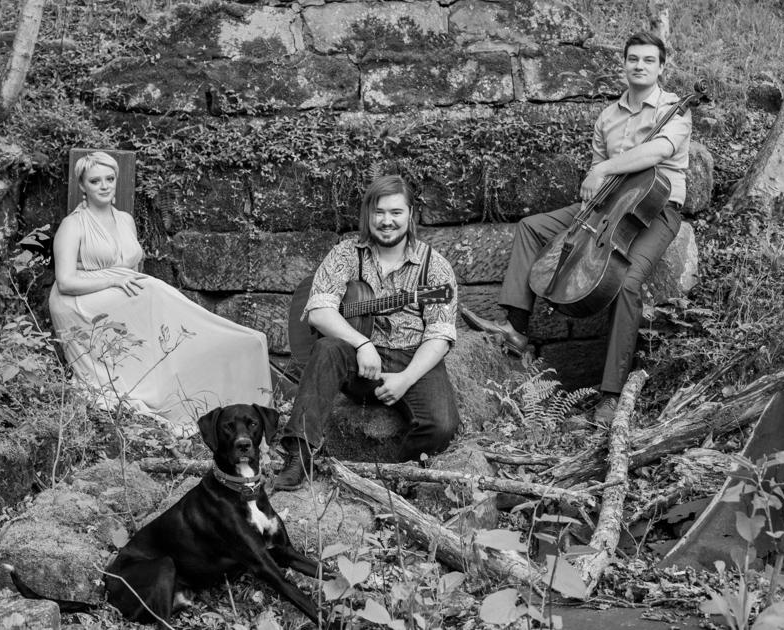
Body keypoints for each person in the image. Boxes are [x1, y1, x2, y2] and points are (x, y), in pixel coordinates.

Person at [460, 31, 692, 424]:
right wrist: (590, 204)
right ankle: (516, 328)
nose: (639, 66)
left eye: (648, 60)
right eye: (633, 59)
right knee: (531, 228)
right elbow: (599, 175)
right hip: (608, 205)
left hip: (657, 209)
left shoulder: (674, 109)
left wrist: (602, 169)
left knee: (627, 283)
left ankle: (611, 397)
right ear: (624, 64)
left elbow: (658, 151)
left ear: (661, 67)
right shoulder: (608, 116)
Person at [49, 151, 272, 437]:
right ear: (82, 185)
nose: (104, 186)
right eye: (95, 181)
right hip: (79, 300)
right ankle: (184, 360)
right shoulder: (73, 225)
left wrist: (124, 284)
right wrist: (113, 281)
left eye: (109, 179)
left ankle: (230, 346)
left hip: (120, 294)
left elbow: (132, 270)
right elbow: (65, 282)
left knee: (154, 297)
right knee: (153, 289)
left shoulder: (125, 220)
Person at [275, 174, 460, 490]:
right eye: (379, 212)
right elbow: (318, 310)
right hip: (357, 361)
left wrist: (406, 378)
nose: (387, 221)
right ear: (367, 215)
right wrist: (361, 343)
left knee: (442, 426)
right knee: (327, 348)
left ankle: (395, 476)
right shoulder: (346, 254)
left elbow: (439, 335)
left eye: (396, 212)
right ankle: (299, 456)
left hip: (411, 356)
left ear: (410, 215)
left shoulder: (435, 266)